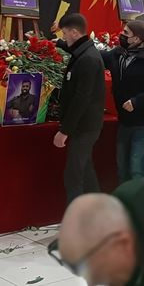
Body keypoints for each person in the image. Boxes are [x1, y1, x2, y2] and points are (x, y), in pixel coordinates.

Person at [102, 21, 144, 183]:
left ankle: (139, 207)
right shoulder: (117, 55)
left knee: (137, 171)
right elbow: (96, 58)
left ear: (137, 39)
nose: (122, 35)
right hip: (124, 122)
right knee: (122, 170)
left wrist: (137, 101)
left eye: (126, 33)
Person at [54, 14, 106, 205]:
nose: (65, 37)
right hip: (84, 125)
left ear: (75, 32)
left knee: (74, 175)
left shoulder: (88, 59)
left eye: (65, 33)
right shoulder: (83, 51)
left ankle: (76, 221)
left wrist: (64, 131)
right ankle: (100, 213)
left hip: (84, 126)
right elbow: (70, 46)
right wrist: (57, 43)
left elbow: (81, 99)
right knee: (86, 170)